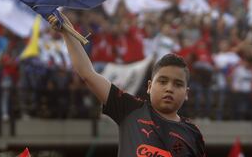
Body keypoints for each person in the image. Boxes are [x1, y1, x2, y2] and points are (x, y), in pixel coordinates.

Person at [48, 11, 206, 157]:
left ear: (186, 93)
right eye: (163, 81)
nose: (169, 88)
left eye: (178, 84)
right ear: (150, 86)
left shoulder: (193, 134)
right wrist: (66, 31)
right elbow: (87, 73)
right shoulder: (130, 109)